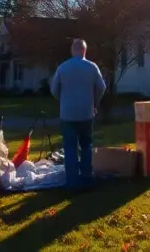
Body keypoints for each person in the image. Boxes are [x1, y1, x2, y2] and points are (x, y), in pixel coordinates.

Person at [51, 38, 107, 191]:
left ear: (72, 50)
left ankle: (72, 182)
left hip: (67, 113)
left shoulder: (63, 67)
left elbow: (54, 89)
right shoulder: (92, 67)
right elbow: (101, 87)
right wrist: (95, 102)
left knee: (69, 147)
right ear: (84, 51)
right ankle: (87, 178)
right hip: (86, 112)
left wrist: (62, 100)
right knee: (86, 145)